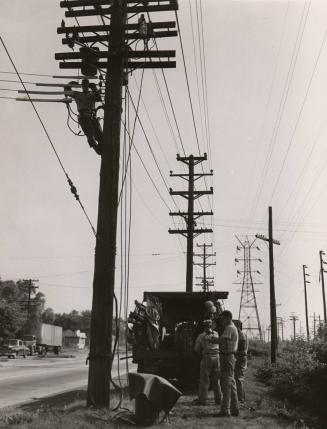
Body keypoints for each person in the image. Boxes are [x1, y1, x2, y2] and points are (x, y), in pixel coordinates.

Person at [209, 310, 239, 417]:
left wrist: (211, 339)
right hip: (230, 357)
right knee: (231, 384)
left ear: (228, 318)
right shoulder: (233, 328)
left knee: (226, 384)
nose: (221, 320)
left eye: (222, 318)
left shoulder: (229, 328)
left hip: (227, 357)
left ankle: (225, 410)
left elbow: (222, 341)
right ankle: (235, 408)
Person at [65, 79, 103, 155]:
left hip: (92, 117)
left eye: (86, 84)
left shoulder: (91, 94)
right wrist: (70, 84)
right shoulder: (77, 94)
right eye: (83, 85)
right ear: (82, 86)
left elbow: (98, 98)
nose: (84, 86)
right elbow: (66, 91)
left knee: (101, 136)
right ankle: (98, 150)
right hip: (84, 117)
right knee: (90, 136)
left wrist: (94, 88)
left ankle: (101, 148)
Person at [193, 319, 222, 406]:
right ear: (211, 326)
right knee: (216, 380)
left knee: (204, 380)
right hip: (217, 357)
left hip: (207, 357)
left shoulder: (201, 336)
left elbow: (197, 349)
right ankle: (218, 400)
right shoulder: (216, 334)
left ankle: (202, 400)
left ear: (204, 326)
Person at [234, 320, 248, 403]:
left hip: (240, 357)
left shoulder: (241, 334)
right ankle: (240, 398)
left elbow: (241, 347)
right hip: (241, 357)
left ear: (238, 326)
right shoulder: (243, 334)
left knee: (238, 378)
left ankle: (241, 399)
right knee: (238, 378)